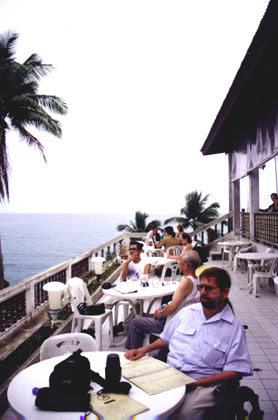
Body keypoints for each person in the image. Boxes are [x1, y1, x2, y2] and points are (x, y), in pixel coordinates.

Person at [125, 267, 252, 420]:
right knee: (139, 397)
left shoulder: (233, 328)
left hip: (203, 385)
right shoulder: (187, 312)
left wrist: (195, 383)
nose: (203, 292)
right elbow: (166, 338)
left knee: (185, 414)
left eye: (209, 288)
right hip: (170, 375)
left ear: (225, 292)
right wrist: (143, 349)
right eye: (201, 287)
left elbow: (234, 372)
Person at [125, 250, 201, 350]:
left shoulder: (186, 281)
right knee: (144, 316)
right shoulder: (197, 279)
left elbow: (173, 307)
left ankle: (133, 353)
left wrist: (161, 312)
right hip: (185, 319)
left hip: (171, 321)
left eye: (179, 260)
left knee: (135, 322)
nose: (178, 262)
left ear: (186, 265)